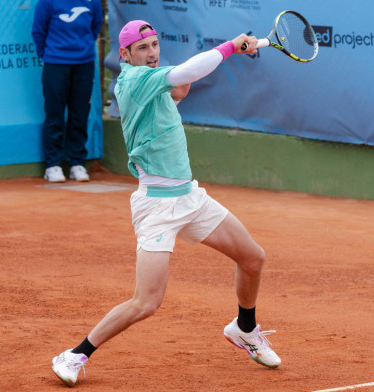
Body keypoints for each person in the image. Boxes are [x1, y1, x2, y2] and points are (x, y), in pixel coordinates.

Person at [50, 20, 280, 387]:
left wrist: (192, 73)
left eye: (155, 44)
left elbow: (182, 85)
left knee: (253, 258)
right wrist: (231, 47)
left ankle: (244, 328)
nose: (152, 52)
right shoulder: (132, 80)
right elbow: (186, 74)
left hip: (190, 197)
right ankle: (75, 354)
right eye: (142, 48)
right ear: (124, 55)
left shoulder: (153, 81)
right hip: (156, 206)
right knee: (146, 302)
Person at [32, 0, 102, 183]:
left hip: (84, 65)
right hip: (55, 65)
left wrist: (82, 50)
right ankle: (53, 165)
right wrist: (49, 55)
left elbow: (95, 28)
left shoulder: (91, 0)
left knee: (79, 114)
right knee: (54, 114)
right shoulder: (49, 0)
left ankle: (77, 163)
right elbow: (38, 32)